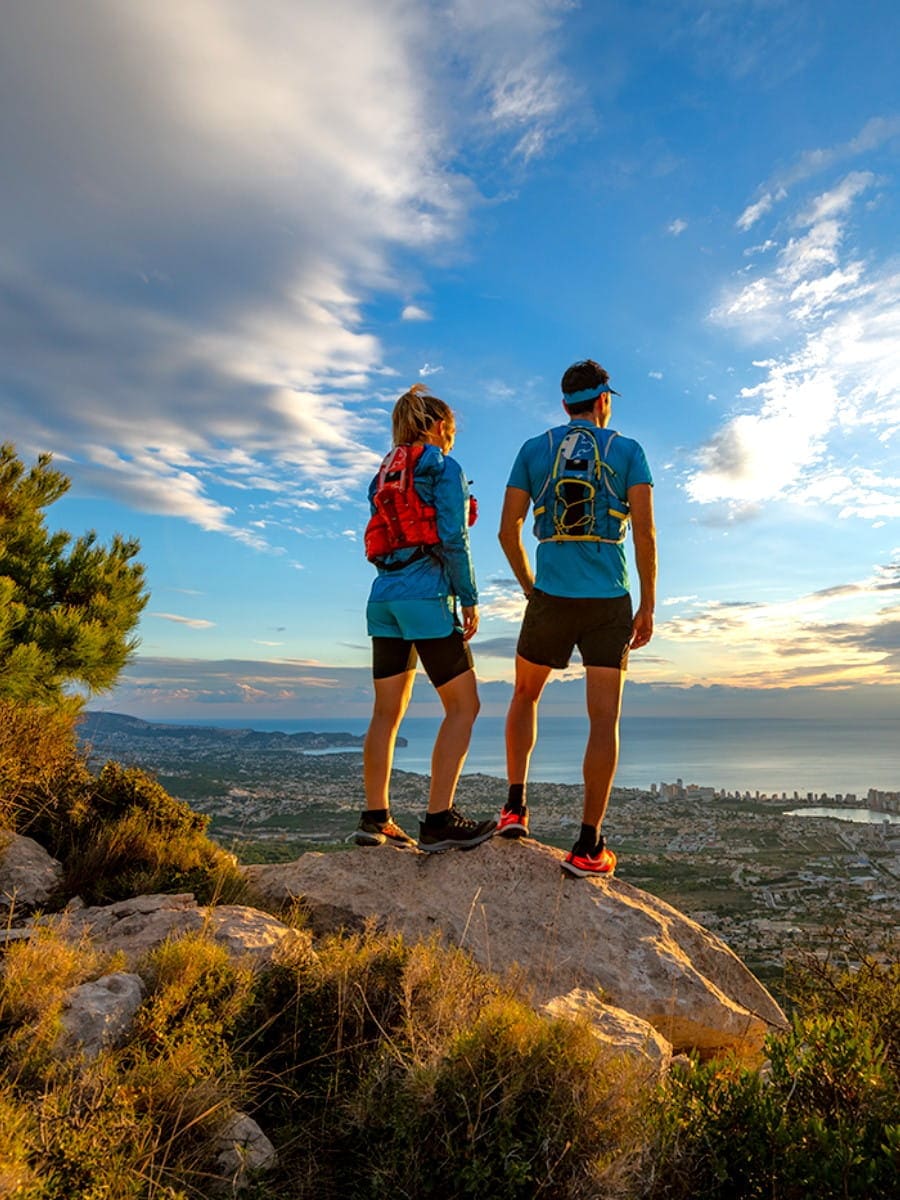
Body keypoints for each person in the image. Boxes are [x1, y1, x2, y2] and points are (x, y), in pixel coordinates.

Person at [495, 359, 656, 877]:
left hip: (551, 595)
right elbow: (646, 536)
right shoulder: (628, 451)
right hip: (609, 600)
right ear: (604, 399)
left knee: (525, 695)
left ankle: (515, 809)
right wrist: (647, 604)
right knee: (603, 719)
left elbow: (507, 531)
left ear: (565, 404)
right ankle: (588, 845)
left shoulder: (533, 450)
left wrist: (529, 587)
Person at [353, 383, 496, 852]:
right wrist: (468, 597)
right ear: (436, 427)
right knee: (464, 705)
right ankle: (438, 820)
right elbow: (453, 539)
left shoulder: (383, 478)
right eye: (449, 431)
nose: (451, 441)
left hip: (383, 600)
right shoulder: (444, 469)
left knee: (385, 714)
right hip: (426, 597)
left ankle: (376, 818)